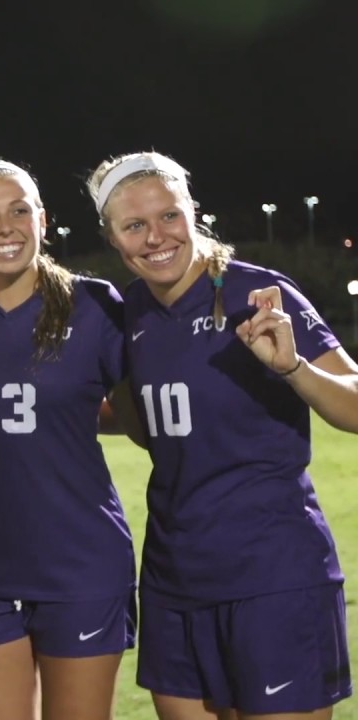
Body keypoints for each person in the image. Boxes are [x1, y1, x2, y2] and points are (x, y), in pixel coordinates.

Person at [88, 150, 356, 719]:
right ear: (112, 236)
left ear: (192, 213)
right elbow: (150, 424)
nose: (155, 237)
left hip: (273, 574)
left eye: (169, 216)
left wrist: (293, 368)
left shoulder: (253, 293)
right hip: (173, 578)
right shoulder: (127, 314)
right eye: (134, 225)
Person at [0, 159, 136, 720]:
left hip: (81, 561)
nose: (5, 227)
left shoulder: (93, 304)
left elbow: (138, 417)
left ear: (42, 220)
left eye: (19, 211)